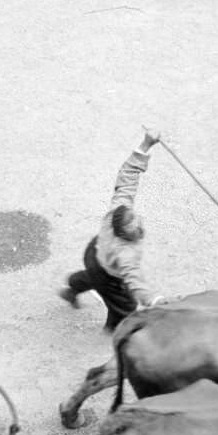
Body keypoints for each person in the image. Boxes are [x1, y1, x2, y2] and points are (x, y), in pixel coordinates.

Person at [58, 129, 165, 331]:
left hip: (95, 253)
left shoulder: (119, 208)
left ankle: (72, 287)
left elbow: (128, 175)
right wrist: (152, 299)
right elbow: (133, 279)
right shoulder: (126, 253)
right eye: (135, 226)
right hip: (108, 272)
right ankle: (114, 330)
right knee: (125, 306)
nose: (139, 222)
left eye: (135, 220)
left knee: (93, 274)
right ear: (124, 234)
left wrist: (146, 144)